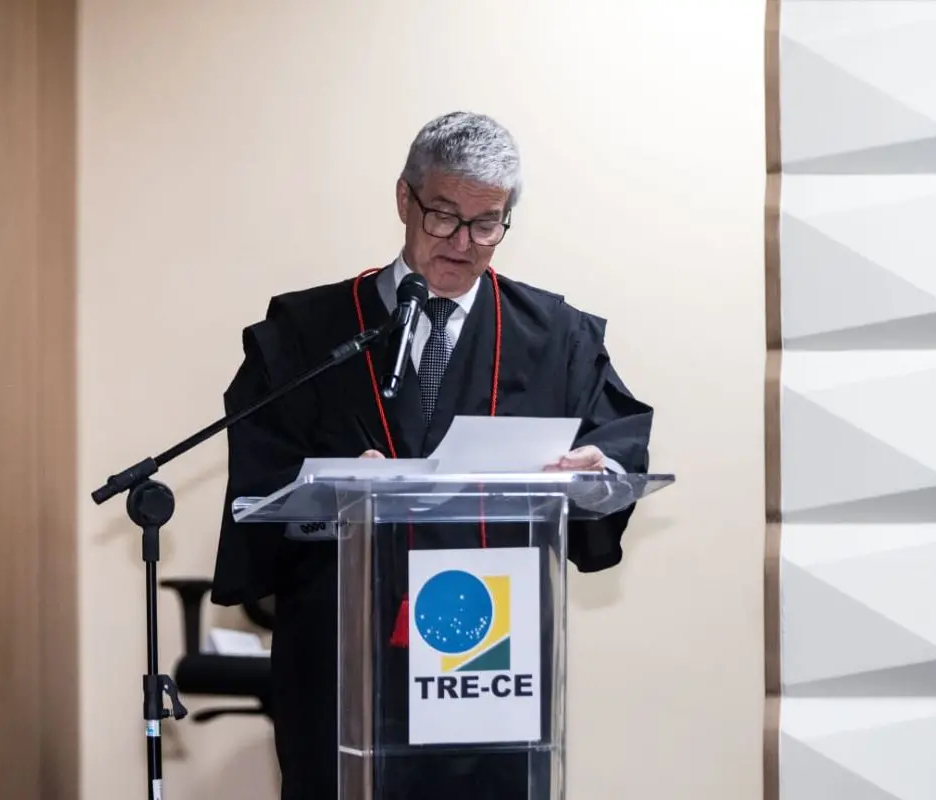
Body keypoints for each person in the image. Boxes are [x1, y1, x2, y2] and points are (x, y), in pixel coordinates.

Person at [211, 111, 653, 799]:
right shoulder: (307, 334)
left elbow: (619, 439)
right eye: (444, 216)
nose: (465, 243)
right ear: (404, 200)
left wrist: (601, 470)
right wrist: (333, 489)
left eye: (488, 223)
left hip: (489, 664)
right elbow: (261, 478)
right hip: (343, 661)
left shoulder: (555, 337)